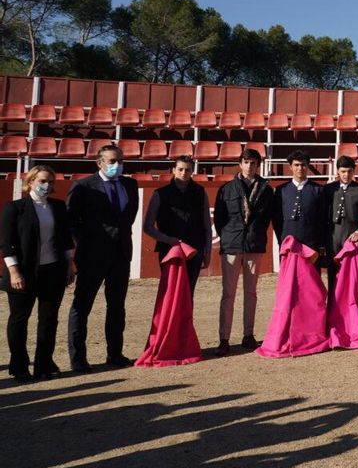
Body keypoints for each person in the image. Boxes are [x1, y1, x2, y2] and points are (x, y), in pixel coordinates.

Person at [67, 144, 140, 372]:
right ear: (99, 163)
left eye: (120, 160)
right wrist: (87, 242)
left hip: (120, 253)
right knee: (82, 305)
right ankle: (78, 358)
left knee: (117, 306)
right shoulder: (83, 186)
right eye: (111, 161)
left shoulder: (130, 184)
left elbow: (129, 217)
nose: (116, 165)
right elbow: (70, 222)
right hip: (92, 255)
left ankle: (115, 354)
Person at [2, 166, 74, 381]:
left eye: (51, 182)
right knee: (19, 319)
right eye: (43, 181)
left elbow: (65, 239)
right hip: (23, 271)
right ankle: (19, 366)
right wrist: (14, 271)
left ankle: (43, 364)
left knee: (49, 319)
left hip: (52, 270)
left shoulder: (58, 207)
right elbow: (6, 244)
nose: (48, 185)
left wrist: (70, 264)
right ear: (30, 181)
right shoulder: (15, 208)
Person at [213, 148, 274, 356]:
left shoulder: (266, 189)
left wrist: (254, 234)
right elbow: (219, 219)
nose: (249, 166)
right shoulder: (227, 189)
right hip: (231, 244)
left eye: (253, 163)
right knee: (228, 293)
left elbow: (267, 219)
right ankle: (224, 338)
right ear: (240, 164)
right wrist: (229, 236)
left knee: (251, 292)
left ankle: (248, 334)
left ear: (258, 165)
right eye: (246, 162)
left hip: (253, 245)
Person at [143, 155, 212, 295]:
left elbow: (207, 225)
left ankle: (186, 318)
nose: (183, 173)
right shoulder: (160, 194)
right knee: (170, 292)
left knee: (188, 292)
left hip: (195, 249)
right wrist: (167, 239)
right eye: (180, 169)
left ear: (192, 171)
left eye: (187, 170)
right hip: (169, 250)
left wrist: (208, 251)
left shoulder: (200, 192)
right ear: (173, 170)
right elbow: (147, 226)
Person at [323, 155, 358, 304]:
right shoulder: (329, 189)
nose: (346, 175)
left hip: (351, 234)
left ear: (354, 171)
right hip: (332, 235)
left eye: (349, 171)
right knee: (333, 274)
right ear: (338, 172)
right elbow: (322, 214)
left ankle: (352, 312)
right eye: (343, 171)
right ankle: (333, 312)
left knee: (352, 276)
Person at [271, 149, 328, 273]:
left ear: (308, 166)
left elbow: (323, 218)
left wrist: (321, 243)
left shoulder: (318, 190)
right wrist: (283, 238)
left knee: (311, 279)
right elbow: (277, 218)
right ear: (290, 167)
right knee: (290, 279)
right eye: (296, 165)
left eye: (303, 165)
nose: (300, 168)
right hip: (288, 240)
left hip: (311, 242)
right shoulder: (281, 190)